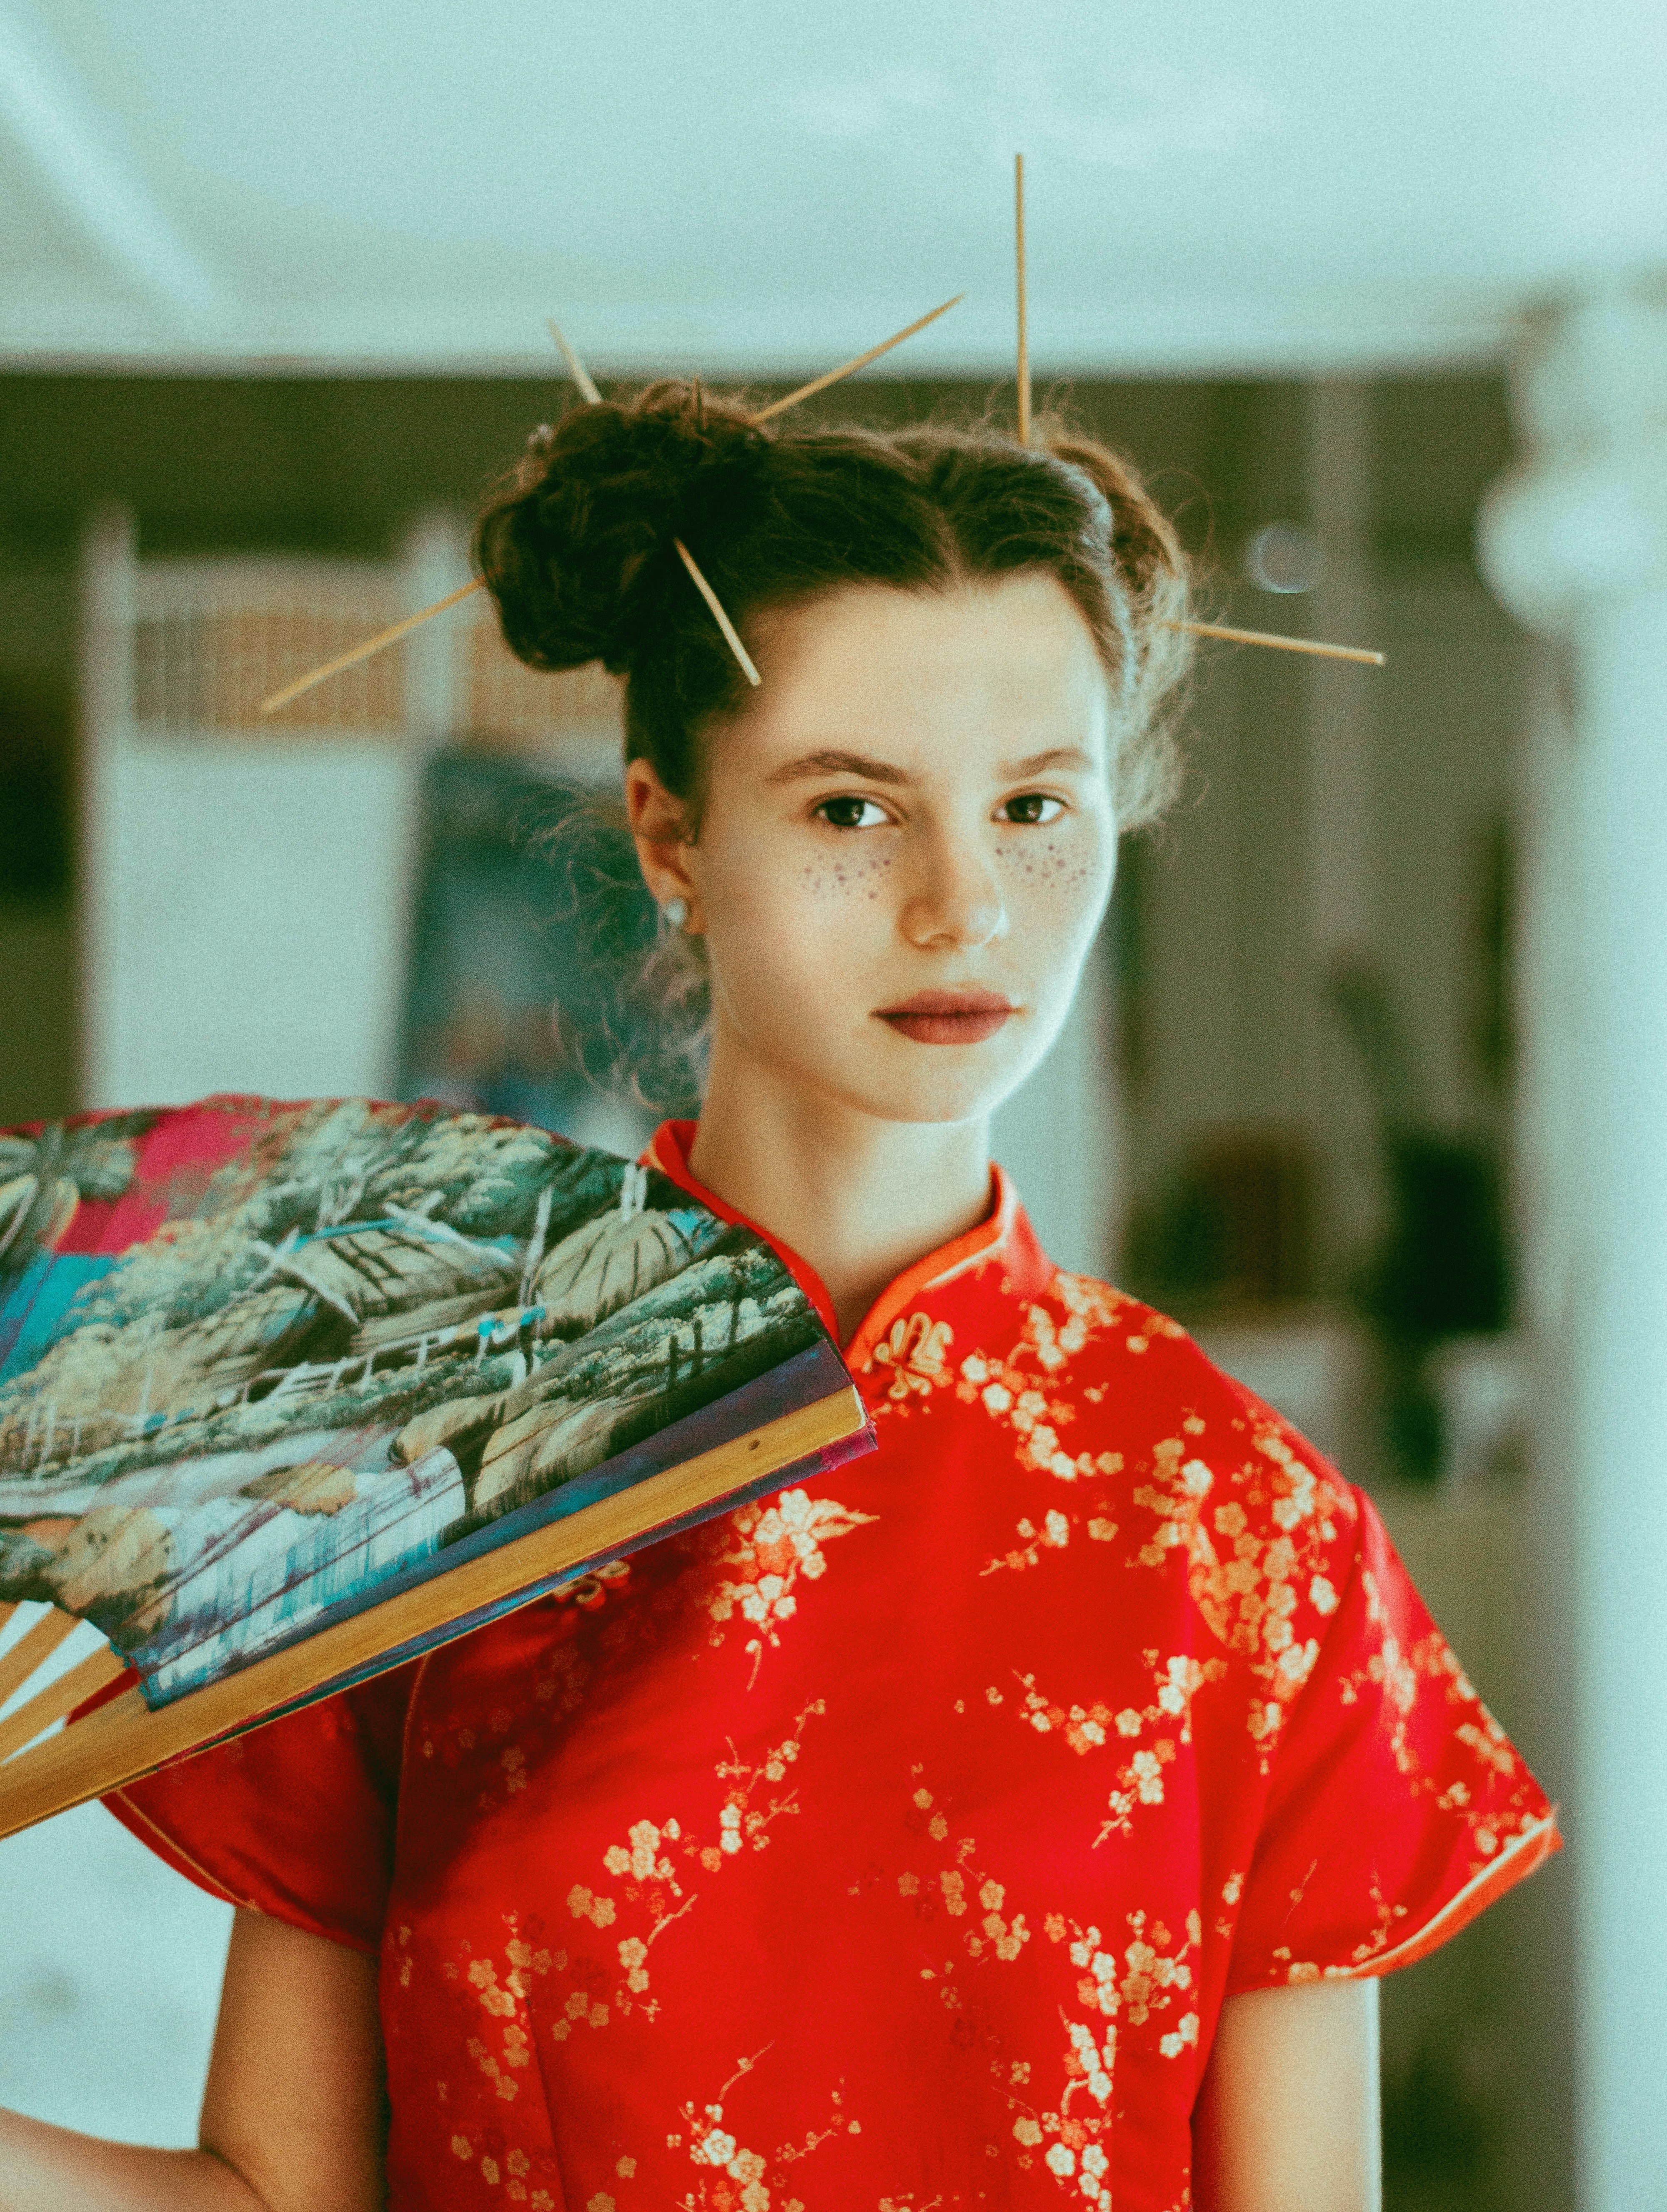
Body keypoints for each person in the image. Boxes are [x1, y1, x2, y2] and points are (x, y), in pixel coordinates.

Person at [0, 386, 1555, 2212]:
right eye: (847, 806)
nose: (962, 902)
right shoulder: (404, 1456)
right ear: (670, 834)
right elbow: (282, 2200)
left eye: (1036, 805)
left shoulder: (1246, 1533)